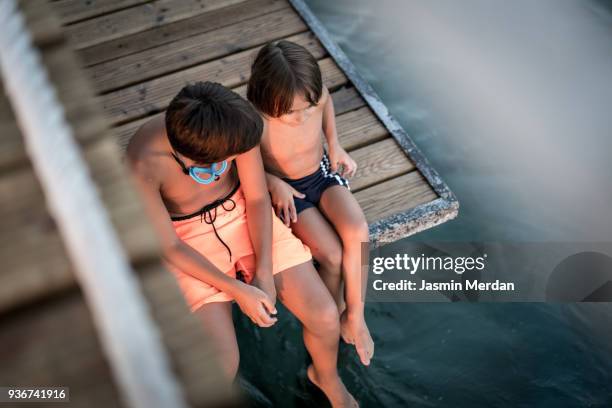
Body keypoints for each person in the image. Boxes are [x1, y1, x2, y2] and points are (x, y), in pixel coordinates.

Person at [125, 82, 358, 407]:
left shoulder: (235, 127)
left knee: (325, 316)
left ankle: (326, 376)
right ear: (197, 158)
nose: (241, 158)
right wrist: (237, 290)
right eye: (231, 158)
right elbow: (169, 247)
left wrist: (262, 272)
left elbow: (258, 197)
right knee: (220, 367)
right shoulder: (142, 163)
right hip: (186, 240)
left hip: (244, 211)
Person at [247, 40, 375, 366]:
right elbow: (240, 164)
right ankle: (329, 320)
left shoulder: (311, 96)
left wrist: (335, 145)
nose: (302, 116)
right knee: (331, 254)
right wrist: (273, 182)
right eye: (292, 111)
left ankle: (355, 316)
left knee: (358, 228)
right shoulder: (252, 120)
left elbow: (326, 100)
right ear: (265, 96)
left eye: (307, 107)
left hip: (321, 173)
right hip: (290, 192)